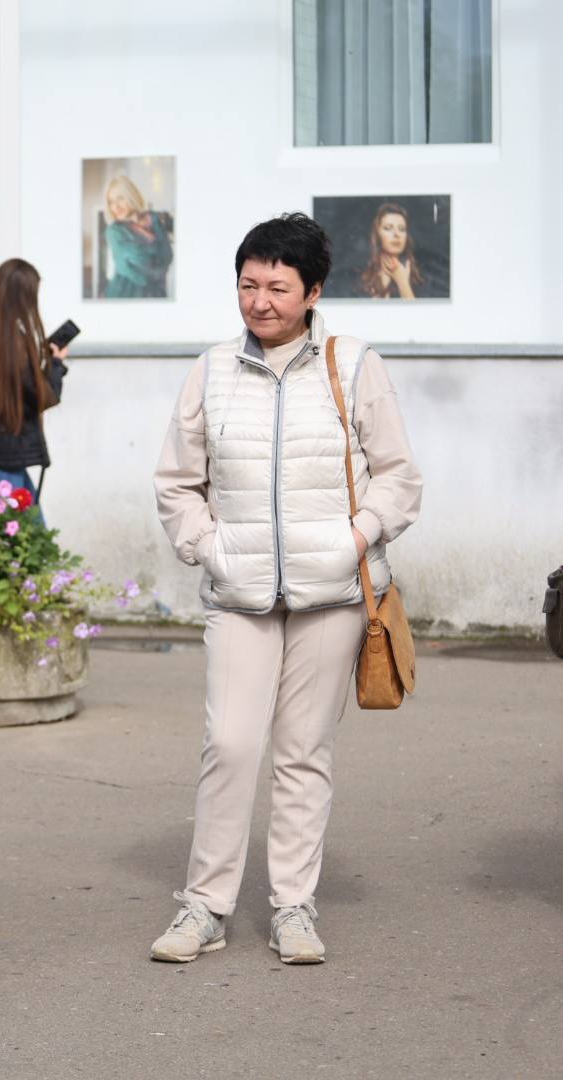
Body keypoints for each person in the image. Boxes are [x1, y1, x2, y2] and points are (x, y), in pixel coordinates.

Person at [151, 212, 422, 965]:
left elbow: (399, 476)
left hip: (332, 596)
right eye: (248, 285)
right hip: (239, 593)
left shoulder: (354, 365)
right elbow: (177, 482)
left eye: (277, 287)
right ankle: (205, 907)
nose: (260, 301)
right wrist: (208, 547)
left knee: (303, 752)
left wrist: (354, 540)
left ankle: (293, 907)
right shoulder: (211, 370)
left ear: (313, 292)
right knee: (231, 745)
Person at [0, 258, 67, 507]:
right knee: (25, 530)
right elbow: (44, 397)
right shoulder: (15, 345)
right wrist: (56, 364)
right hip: (7, 466)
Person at [102, 175, 173, 298]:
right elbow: (140, 274)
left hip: (157, 295)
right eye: (111, 202)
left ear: (131, 196)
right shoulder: (114, 231)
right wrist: (159, 262)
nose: (115, 207)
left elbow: (168, 257)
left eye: (120, 198)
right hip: (124, 296)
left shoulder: (154, 219)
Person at [359, 201, 422, 299]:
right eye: (388, 228)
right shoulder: (361, 278)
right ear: (377, 234)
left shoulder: (418, 278)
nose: (397, 234)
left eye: (402, 229)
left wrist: (402, 282)